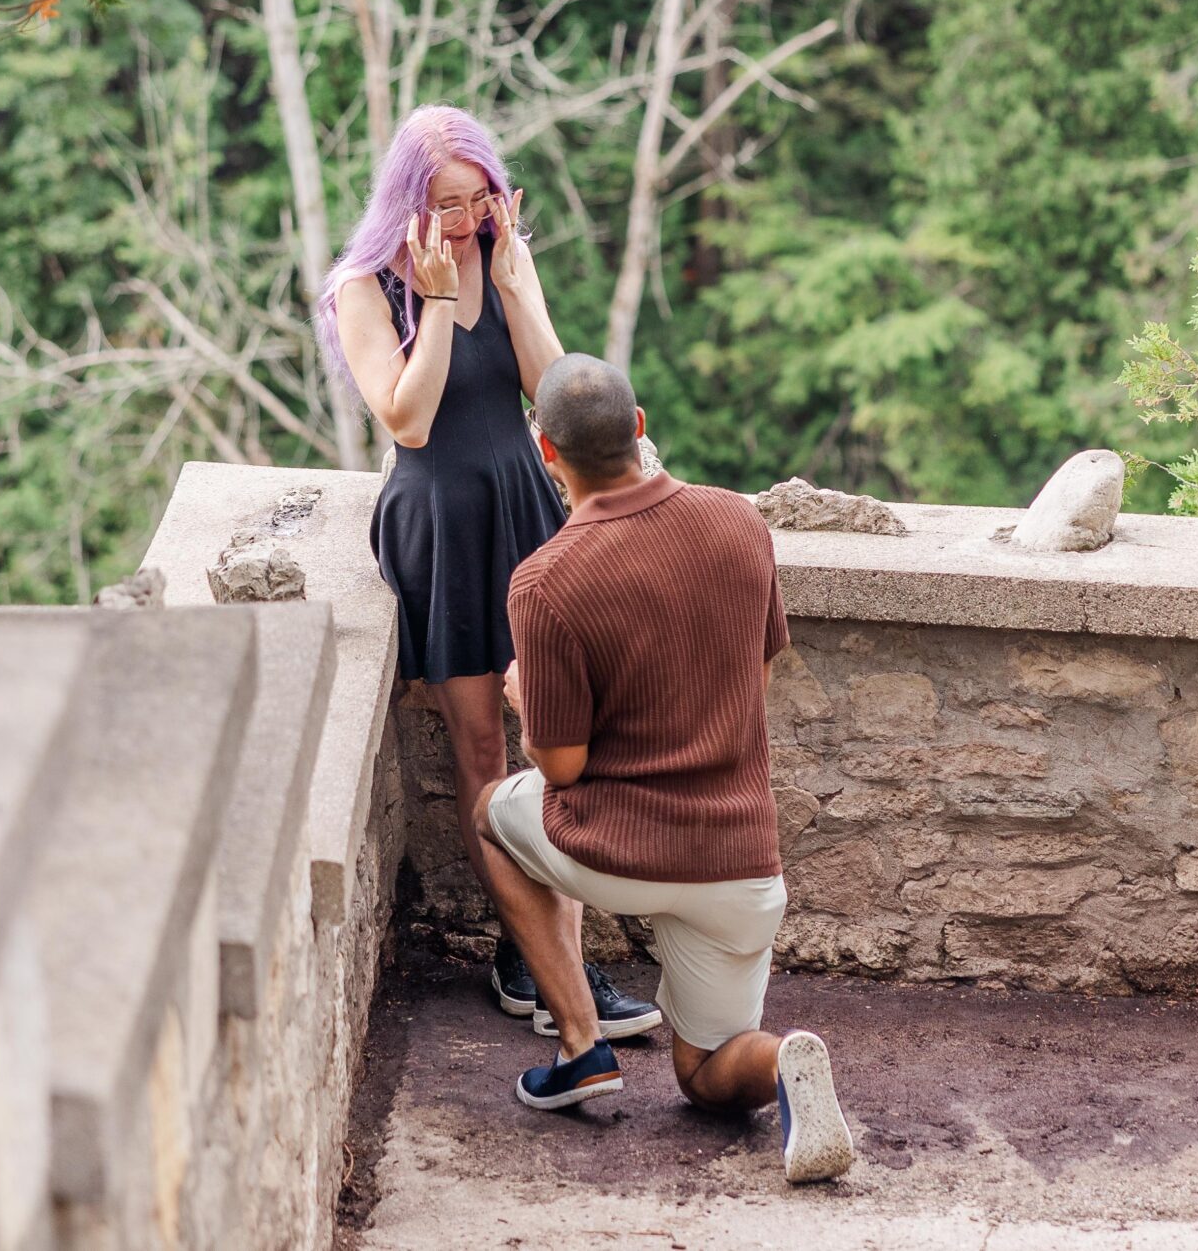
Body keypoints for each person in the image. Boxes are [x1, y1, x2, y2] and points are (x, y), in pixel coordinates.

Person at [473, 353, 857, 1186]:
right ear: (640, 426)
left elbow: (562, 764)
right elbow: (753, 680)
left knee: (490, 814)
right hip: (739, 861)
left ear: (546, 451)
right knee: (710, 1071)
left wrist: (527, 701)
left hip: (618, 852)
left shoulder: (545, 581)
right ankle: (782, 1059)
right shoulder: (739, 522)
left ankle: (580, 1044)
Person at [320, 107, 659, 1040]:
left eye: (481, 199)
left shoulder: (498, 250)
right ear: (405, 203)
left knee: (561, 732)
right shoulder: (364, 288)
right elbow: (409, 419)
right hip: (441, 522)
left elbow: (553, 392)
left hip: (523, 506)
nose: (466, 219)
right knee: (480, 752)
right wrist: (435, 305)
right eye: (446, 204)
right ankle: (534, 963)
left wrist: (514, 283)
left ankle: (560, 965)